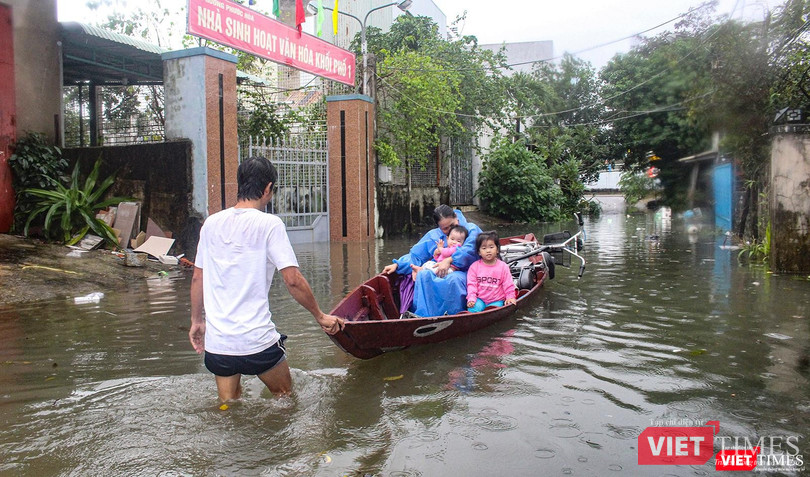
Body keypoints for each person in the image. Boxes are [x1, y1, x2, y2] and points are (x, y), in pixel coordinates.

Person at [189, 156, 344, 403]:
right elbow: (292, 279)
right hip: (257, 343)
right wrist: (320, 315)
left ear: (240, 185)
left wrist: (197, 322)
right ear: (268, 189)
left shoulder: (211, 223)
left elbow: (198, 277)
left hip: (219, 346)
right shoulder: (270, 224)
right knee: (284, 397)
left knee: (229, 405)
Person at [382, 205, 481, 317]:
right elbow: (416, 256)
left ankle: (455, 315)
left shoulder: (471, 229)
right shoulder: (434, 236)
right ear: (439, 227)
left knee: (453, 279)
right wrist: (398, 264)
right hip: (438, 269)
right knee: (423, 275)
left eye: (452, 225)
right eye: (445, 229)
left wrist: (449, 260)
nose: (450, 231)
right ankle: (423, 315)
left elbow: (470, 250)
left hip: (466, 271)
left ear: (456, 217)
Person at [466, 231, 517, 312]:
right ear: (479, 252)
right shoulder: (474, 267)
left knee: (494, 310)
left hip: (497, 300)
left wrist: (510, 297)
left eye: (491, 247)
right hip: (480, 299)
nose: (488, 251)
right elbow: (471, 285)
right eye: (484, 248)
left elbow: (508, 284)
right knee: (473, 309)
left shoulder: (503, 267)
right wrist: (471, 298)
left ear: (497, 249)